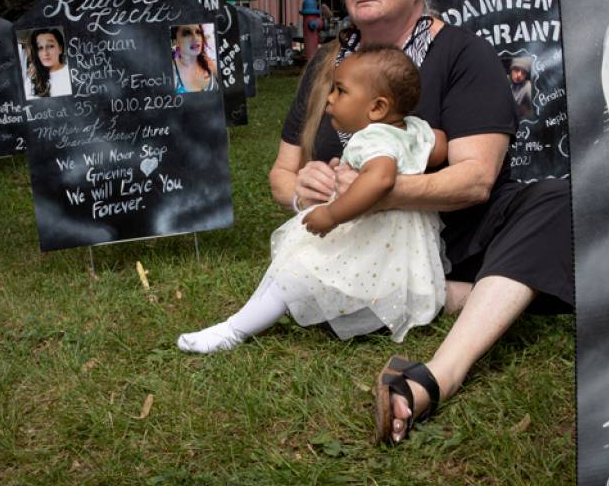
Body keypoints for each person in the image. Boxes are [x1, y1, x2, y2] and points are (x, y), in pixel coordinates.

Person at [271, 0, 572, 445]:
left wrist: (372, 193)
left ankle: (437, 375)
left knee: (554, 201)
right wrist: (304, 188)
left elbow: (475, 179)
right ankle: (489, 294)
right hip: (364, 248)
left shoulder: (460, 54)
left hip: (459, 233)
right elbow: (280, 173)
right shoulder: (328, 66)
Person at [178, 45, 448, 354]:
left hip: (371, 233)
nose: (330, 98)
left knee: (294, 271)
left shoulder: (372, 138)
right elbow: (439, 145)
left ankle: (234, 330)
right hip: (404, 240)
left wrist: (333, 214)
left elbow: (381, 177)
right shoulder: (413, 129)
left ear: (376, 109)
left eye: (341, 91)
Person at [24, 28, 72, 99]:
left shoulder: (71, 73)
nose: (45, 53)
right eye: (40, 48)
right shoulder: (31, 80)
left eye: (50, 46)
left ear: (60, 49)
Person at [170, 24, 218, 94]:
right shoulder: (171, 72)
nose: (195, 38)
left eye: (198, 32)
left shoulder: (209, 63)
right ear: (175, 42)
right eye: (187, 33)